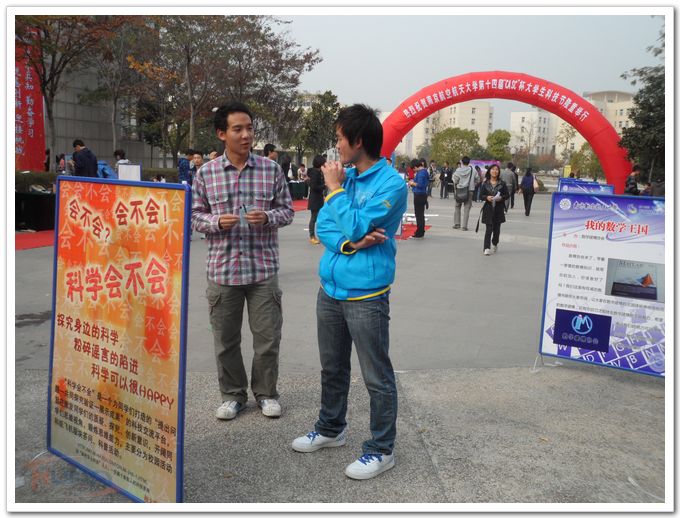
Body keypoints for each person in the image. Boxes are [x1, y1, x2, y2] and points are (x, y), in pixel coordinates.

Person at [291, 104, 407, 481]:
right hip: (330, 289)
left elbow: (356, 224)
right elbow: (325, 226)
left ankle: (381, 449)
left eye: (340, 138)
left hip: (367, 295)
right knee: (333, 367)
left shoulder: (391, 184)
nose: (337, 145)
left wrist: (336, 190)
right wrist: (350, 244)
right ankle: (330, 428)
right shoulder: (349, 178)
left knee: (376, 375)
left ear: (358, 141)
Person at [191, 101, 294, 421]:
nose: (246, 135)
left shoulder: (271, 170)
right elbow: (194, 215)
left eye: (249, 128)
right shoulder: (206, 173)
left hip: (262, 270)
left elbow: (287, 211)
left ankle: (266, 393)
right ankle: (233, 395)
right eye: (238, 129)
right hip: (222, 271)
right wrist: (215, 222)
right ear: (222, 134)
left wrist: (268, 217)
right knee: (225, 341)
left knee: (268, 339)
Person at [479, 164, 510, 256]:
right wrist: (486, 197)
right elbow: (481, 195)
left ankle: (495, 243)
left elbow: (507, 195)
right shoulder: (485, 183)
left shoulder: (502, 183)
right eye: (493, 169)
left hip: (498, 209)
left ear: (498, 172)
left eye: (496, 169)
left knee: (496, 230)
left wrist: (501, 198)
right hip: (488, 209)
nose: (494, 171)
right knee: (488, 229)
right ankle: (486, 248)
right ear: (489, 171)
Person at [452, 156, 476, 231]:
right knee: (467, 208)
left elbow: (455, 180)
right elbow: (478, 179)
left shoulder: (458, 170)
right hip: (469, 190)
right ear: (469, 162)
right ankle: (464, 226)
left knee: (457, 206)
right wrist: (473, 183)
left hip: (459, 190)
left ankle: (457, 224)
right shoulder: (473, 170)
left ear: (462, 162)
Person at [306, 155, 326, 244]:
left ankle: (319, 235)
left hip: (318, 197)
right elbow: (314, 186)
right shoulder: (315, 173)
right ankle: (312, 236)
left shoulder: (318, 172)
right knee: (314, 218)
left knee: (319, 218)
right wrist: (324, 186)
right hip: (315, 198)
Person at [408, 158, 429, 239]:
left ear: (416, 167)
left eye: (414, 169)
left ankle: (419, 232)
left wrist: (412, 183)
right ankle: (421, 231)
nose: (414, 171)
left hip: (419, 195)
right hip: (422, 195)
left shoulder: (421, 173)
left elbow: (420, 185)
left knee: (418, 214)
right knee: (421, 214)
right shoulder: (424, 171)